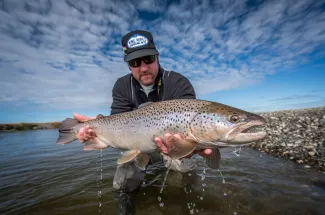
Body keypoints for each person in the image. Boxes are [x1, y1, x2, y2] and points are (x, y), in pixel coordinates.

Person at [73, 30, 211, 214]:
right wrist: (97, 130)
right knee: (123, 176)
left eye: (148, 59)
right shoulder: (121, 86)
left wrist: (191, 146)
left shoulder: (178, 82)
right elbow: (117, 122)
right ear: (129, 65)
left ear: (157, 56)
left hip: (174, 144)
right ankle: (125, 207)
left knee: (186, 165)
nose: (143, 67)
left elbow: (192, 120)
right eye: (135, 62)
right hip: (138, 144)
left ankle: (184, 202)